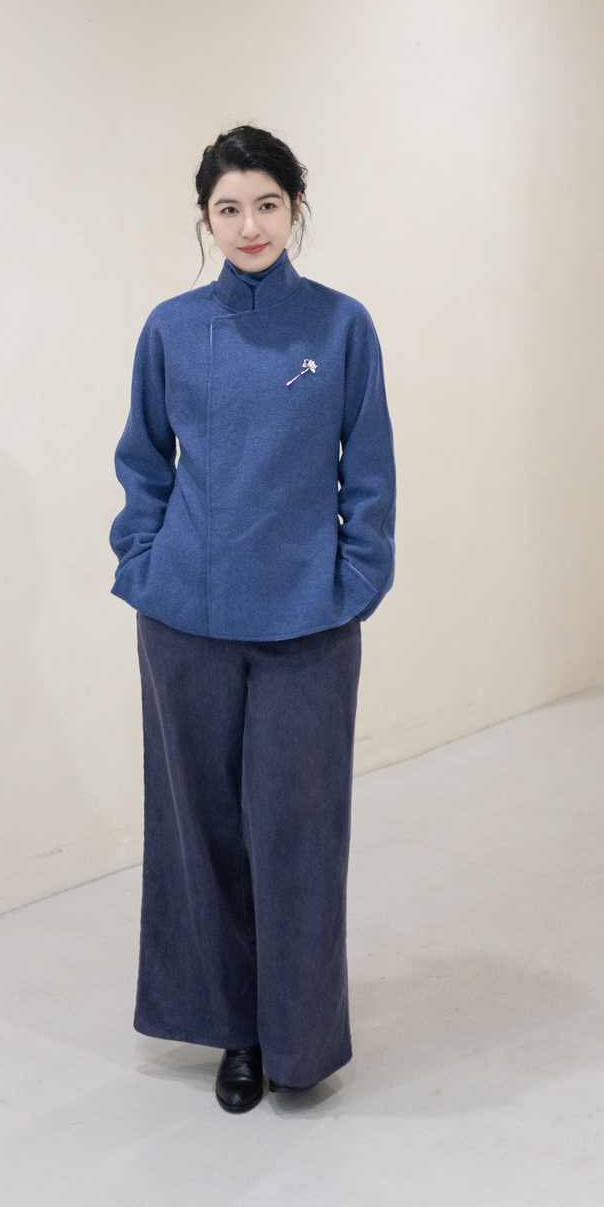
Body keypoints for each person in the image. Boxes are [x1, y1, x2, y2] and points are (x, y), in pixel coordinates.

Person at [110, 125, 396, 1113]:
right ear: (205, 218)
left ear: (295, 207)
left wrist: (355, 578)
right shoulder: (171, 328)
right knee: (201, 829)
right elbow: (143, 459)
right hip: (184, 619)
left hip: (306, 623)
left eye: (266, 203)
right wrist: (143, 560)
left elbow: (370, 467)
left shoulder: (342, 326)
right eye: (227, 208)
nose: (248, 225)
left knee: (297, 829)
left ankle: (300, 1036)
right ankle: (235, 1030)